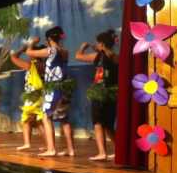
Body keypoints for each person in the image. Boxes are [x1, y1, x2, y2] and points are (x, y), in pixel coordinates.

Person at [26, 26, 75, 157]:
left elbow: (29, 53)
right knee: (64, 118)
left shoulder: (51, 50)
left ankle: (51, 149)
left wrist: (32, 43)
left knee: (46, 117)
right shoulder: (65, 51)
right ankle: (70, 149)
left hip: (53, 88)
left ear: (48, 39)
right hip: (64, 87)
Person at [75, 29, 119, 161]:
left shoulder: (98, 56)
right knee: (109, 125)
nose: (96, 44)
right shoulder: (115, 56)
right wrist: (98, 48)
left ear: (102, 44)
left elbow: (78, 56)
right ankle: (119, 151)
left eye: (98, 43)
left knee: (98, 123)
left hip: (100, 93)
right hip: (111, 94)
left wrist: (83, 47)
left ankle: (102, 153)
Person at [10, 39, 47, 151]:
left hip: (33, 97)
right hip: (40, 95)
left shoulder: (31, 65)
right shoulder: (44, 65)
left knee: (28, 120)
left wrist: (24, 48)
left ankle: (28, 144)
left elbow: (13, 57)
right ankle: (47, 144)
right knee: (37, 121)